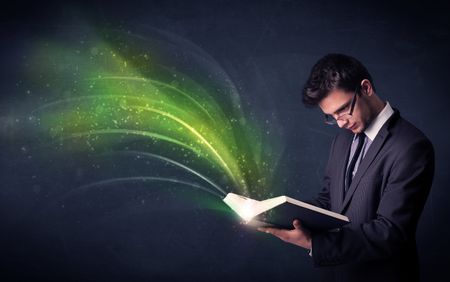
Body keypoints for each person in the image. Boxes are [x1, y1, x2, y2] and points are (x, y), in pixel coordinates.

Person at [258, 54, 434, 282]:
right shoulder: (342, 141)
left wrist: (314, 243)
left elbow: (390, 232)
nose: (340, 123)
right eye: (330, 117)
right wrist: (277, 212)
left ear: (366, 88)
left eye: (342, 110)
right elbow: (330, 202)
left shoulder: (411, 146)